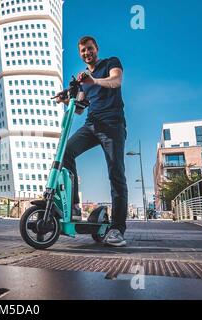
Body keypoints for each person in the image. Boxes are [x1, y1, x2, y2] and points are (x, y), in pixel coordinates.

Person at [56, 36, 128, 247]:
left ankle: (117, 229)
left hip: (113, 126)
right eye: (83, 51)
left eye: (90, 49)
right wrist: (66, 99)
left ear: (96, 48)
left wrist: (94, 80)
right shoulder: (83, 81)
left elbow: (116, 81)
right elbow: (79, 108)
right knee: (66, 151)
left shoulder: (110, 63)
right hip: (91, 125)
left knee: (116, 174)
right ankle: (75, 206)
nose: (87, 53)